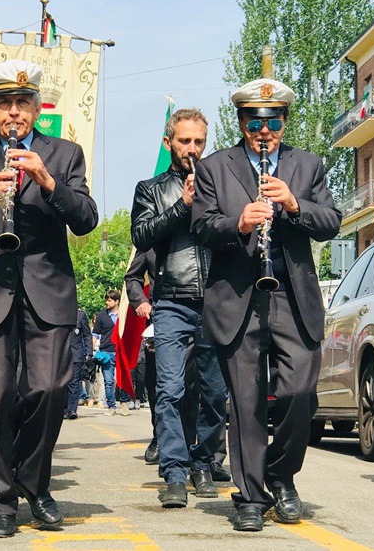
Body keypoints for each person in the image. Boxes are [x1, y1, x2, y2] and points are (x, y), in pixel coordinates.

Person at [0, 58, 98, 538]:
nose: (13, 113)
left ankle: (34, 481)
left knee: (48, 391)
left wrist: (48, 183)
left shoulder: (64, 155)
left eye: (22, 104)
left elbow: (86, 217)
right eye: (4, 104)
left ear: (36, 109)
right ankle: (3, 501)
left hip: (47, 292)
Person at [191, 79, 341, 531]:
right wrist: (238, 222)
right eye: (254, 122)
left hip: (292, 299)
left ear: (284, 123)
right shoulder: (215, 167)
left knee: (298, 393)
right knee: (247, 400)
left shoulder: (308, 165)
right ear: (240, 122)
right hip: (238, 297)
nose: (264, 131)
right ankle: (251, 495)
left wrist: (295, 205)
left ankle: (282, 476)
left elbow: (331, 221)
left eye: (272, 122)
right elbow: (200, 226)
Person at [131, 108, 228, 509]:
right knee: (170, 390)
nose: (192, 149)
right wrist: (182, 204)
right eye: (184, 141)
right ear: (169, 141)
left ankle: (203, 463)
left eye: (199, 142)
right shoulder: (150, 188)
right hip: (171, 299)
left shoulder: (222, 184)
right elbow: (141, 234)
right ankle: (174, 471)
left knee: (215, 393)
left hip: (218, 301)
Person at [124, 247, 158, 463]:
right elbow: (133, 276)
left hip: (207, 316)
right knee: (159, 386)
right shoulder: (152, 236)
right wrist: (140, 301)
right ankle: (160, 436)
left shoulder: (209, 222)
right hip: (162, 318)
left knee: (211, 390)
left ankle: (210, 454)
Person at [92, 289, 127, 416]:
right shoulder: (101, 316)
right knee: (108, 381)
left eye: (109, 300)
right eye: (106, 300)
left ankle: (124, 402)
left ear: (117, 301)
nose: (107, 302)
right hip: (106, 351)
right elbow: (95, 334)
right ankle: (111, 406)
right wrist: (92, 351)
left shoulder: (124, 315)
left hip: (122, 351)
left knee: (123, 379)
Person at [65, 307, 93, 420]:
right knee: (62, 383)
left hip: (76, 354)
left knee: (73, 382)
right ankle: (63, 408)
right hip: (61, 354)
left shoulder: (80, 315)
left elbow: (87, 335)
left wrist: (89, 354)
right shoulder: (59, 311)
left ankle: (72, 409)